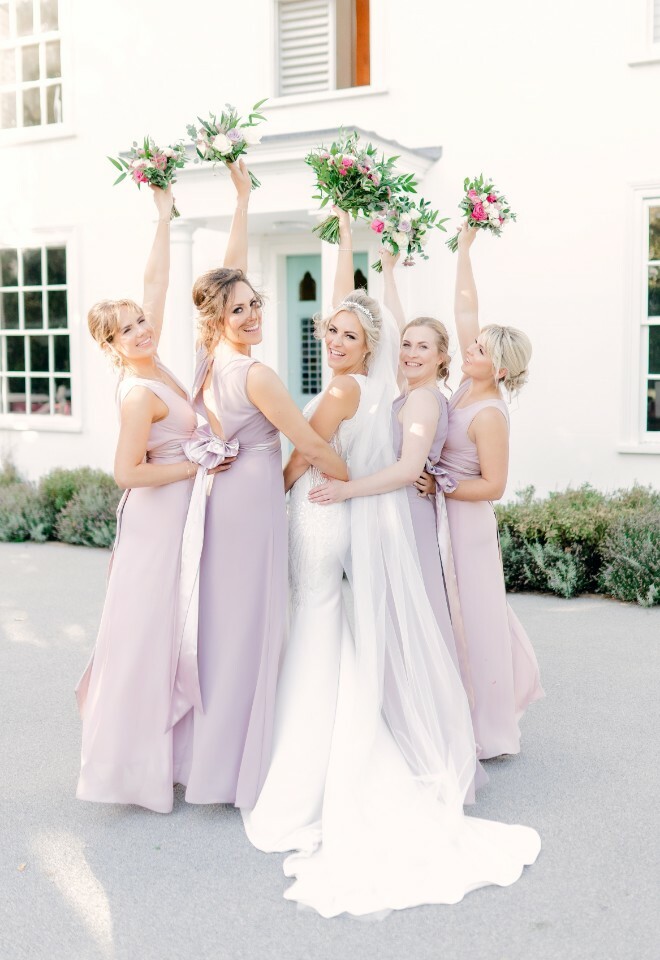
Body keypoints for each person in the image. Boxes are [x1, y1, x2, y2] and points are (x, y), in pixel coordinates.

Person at [243, 209, 540, 918]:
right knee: (338, 627)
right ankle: (335, 738)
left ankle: (338, 758)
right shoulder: (395, 383)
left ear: (441, 358)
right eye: (402, 343)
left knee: (331, 622)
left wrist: (330, 488)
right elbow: (361, 317)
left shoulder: (421, 400)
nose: (409, 351)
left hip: (339, 510)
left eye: (422, 346)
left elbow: (372, 460)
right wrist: (353, 246)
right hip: (352, 515)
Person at [177, 164, 348, 809]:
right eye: (237, 308)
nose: (249, 313)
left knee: (226, 621)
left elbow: (224, 273)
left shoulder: (205, 357)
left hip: (220, 498)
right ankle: (241, 764)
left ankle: (212, 758)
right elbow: (307, 443)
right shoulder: (256, 371)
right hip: (251, 494)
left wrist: (242, 204)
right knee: (251, 621)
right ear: (217, 315)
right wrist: (360, 477)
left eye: (254, 304)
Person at [76, 185, 231, 813]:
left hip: (178, 518)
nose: (140, 329)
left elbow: (157, 283)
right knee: (145, 636)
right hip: (153, 521)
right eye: (126, 329)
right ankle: (129, 768)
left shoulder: (158, 362)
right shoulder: (138, 392)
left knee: (177, 630)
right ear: (110, 345)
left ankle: (175, 754)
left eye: (140, 321)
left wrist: (164, 218)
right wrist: (191, 465)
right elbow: (126, 473)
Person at [434, 222, 544, 759]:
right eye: (471, 345)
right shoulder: (462, 387)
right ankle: (455, 713)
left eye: (477, 349)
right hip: (445, 513)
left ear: (498, 367)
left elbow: (494, 486)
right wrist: (464, 250)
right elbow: (464, 310)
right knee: (453, 616)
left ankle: (491, 730)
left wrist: (442, 483)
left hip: (469, 524)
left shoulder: (489, 412)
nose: (467, 348)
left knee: (476, 619)